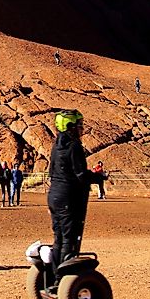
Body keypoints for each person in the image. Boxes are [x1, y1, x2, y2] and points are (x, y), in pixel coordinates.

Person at [47, 109, 99, 285]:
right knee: (69, 237)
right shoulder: (74, 146)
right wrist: (97, 177)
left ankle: (54, 275)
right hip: (68, 197)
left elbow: (52, 171)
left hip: (54, 195)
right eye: (78, 125)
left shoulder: (55, 146)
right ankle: (61, 279)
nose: (81, 129)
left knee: (58, 237)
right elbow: (80, 174)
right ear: (70, 127)